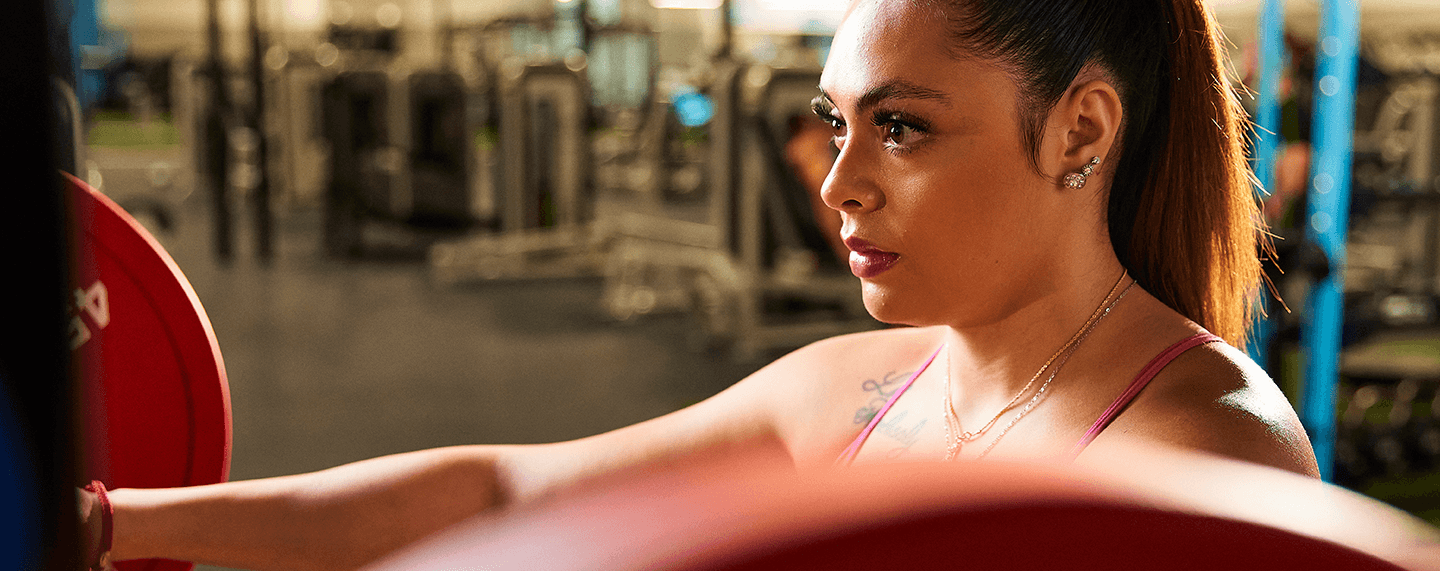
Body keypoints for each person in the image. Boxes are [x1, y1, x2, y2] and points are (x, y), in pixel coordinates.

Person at [80, 0, 1320, 569]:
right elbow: (503, 489)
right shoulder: (864, 391)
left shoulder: (1204, 450)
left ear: (1081, 132)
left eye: (902, 129)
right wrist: (106, 522)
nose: (836, 183)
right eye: (834, 125)